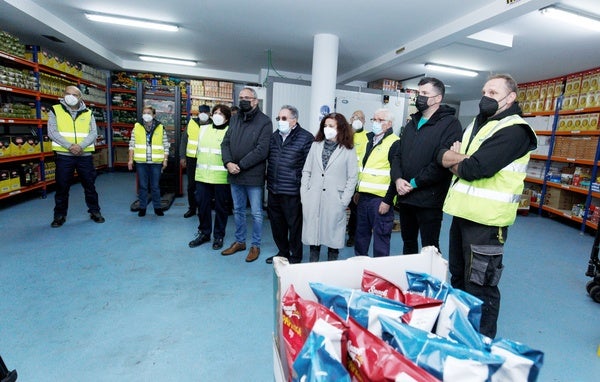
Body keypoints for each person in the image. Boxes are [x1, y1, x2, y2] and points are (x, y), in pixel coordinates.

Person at [438, 74, 537, 338]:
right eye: (484, 91)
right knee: (458, 278)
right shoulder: (478, 124)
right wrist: (457, 159)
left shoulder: (515, 130)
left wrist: (457, 161)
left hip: (488, 222)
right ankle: (459, 333)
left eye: (493, 92)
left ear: (511, 97)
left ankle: (481, 342)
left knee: (480, 286)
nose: (486, 97)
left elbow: (474, 167)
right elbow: (443, 155)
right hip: (462, 214)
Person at [391, 77, 462, 254]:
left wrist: (413, 183)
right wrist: (398, 179)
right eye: (418, 93)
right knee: (408, 243)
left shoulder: (451, 124)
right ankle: (410, 280)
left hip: (429, 199)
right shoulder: (412, 123)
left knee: (430, 248)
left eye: (424, 93)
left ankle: (430, 282)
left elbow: (442, 162)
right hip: (406, 197)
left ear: (437, 98)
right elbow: (398, 155)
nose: (419, 97)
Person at [220, 88, 272, 262]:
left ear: (255, 101)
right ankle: (240, 241)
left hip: (252, 175)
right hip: (234, 173)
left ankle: (255, 245)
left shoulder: (265, 122)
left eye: (247, 98)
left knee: (257, 213)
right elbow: (225, 143)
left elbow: (262, 150)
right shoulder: (234, 119)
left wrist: (240, 166)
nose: (243, 100)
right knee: (238, 210)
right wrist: (228, 163)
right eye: (241, 97)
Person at [301, 113, 357, 262]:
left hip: (334, 199)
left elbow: (352, 178)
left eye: (331, 126)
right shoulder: (315, 145)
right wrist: (304, 195)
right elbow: (306, 170)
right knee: (314, 238)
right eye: (325, 126)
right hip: (313, 197)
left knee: (333, 239)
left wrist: (344, 201)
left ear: (340, 128)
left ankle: (331, 269)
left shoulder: (348, 149)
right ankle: (313, 269)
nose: (327, 129)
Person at [48, 85, 105, 227]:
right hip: (64, 155)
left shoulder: (88, 113)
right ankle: (59, 215)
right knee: (62, 186)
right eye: (67, 93)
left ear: (80, 97)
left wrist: (80, 146)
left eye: (74, 94)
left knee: (89, 185)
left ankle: (95, 211)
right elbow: (52, 132)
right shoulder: (55, 110)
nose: (70, 96)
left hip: (84, 155)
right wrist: (70, 146)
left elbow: (93, 133)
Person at [265, 105, 314, 264]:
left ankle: (295, 255)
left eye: (284, 118)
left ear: (294, 120)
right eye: (278, 118)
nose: (280, 121)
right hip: (273, 189)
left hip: (292, 191)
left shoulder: (306, 138)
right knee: (277, 225)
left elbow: (310, 167)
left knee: (294, 226)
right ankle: (282, 252)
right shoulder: (274, 137)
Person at [354, 108, 400, 258]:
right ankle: (360, 266)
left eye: (380, 120)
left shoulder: (394, 143)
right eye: (374, 119)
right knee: (360, 236)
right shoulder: (369, 140)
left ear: (389, 124)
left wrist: (388, 200)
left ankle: (380, 274)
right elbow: (364, 169)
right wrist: (357, 191)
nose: (375, 123)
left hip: (380, 200)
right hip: (364, 198)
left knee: (381, 239)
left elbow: (396, 176)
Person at [188, 105, 232, 250]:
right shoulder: (203, 129)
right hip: (202, 176)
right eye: (215, 113)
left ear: (227, 118)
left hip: (220, 177)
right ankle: (204, 233)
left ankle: (219, 236)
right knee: (202, 206)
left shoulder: (230, 132)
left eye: (221, 113)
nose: (218, 115)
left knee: (221, 208)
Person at [127, 105, 169, 217]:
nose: (146, 115)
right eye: (144, 113)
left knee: (155, 186)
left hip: (156, 162)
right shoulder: (137, 127)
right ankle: (143, 207)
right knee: (143, 186)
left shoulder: (160, 127)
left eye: (149, 113)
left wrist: (165, 160)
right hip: (141, 162)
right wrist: (130, 160)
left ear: (154, 115)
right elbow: (132, 144)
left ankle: (157, 208)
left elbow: (165, 145)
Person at [180, 104, 212, 218]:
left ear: (209, 114)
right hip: (192, 158)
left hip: (206, 159)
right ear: (198, 113)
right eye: (201, 112)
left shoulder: (213, 125)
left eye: (206, 112)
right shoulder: (191, 123)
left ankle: (203, 208)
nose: (203, 114)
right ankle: (192, 208)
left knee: (204, 186)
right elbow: (184, 140)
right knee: (191, 186)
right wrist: (182, 156)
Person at [345, 110, 368, 247]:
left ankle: (352, 236)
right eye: (354, 116)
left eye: (360, 117)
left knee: (355, 212)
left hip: (358, 182)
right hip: (342, 179)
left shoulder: (368, 137)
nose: (357, 119)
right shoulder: (344, 136)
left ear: (364, 121)